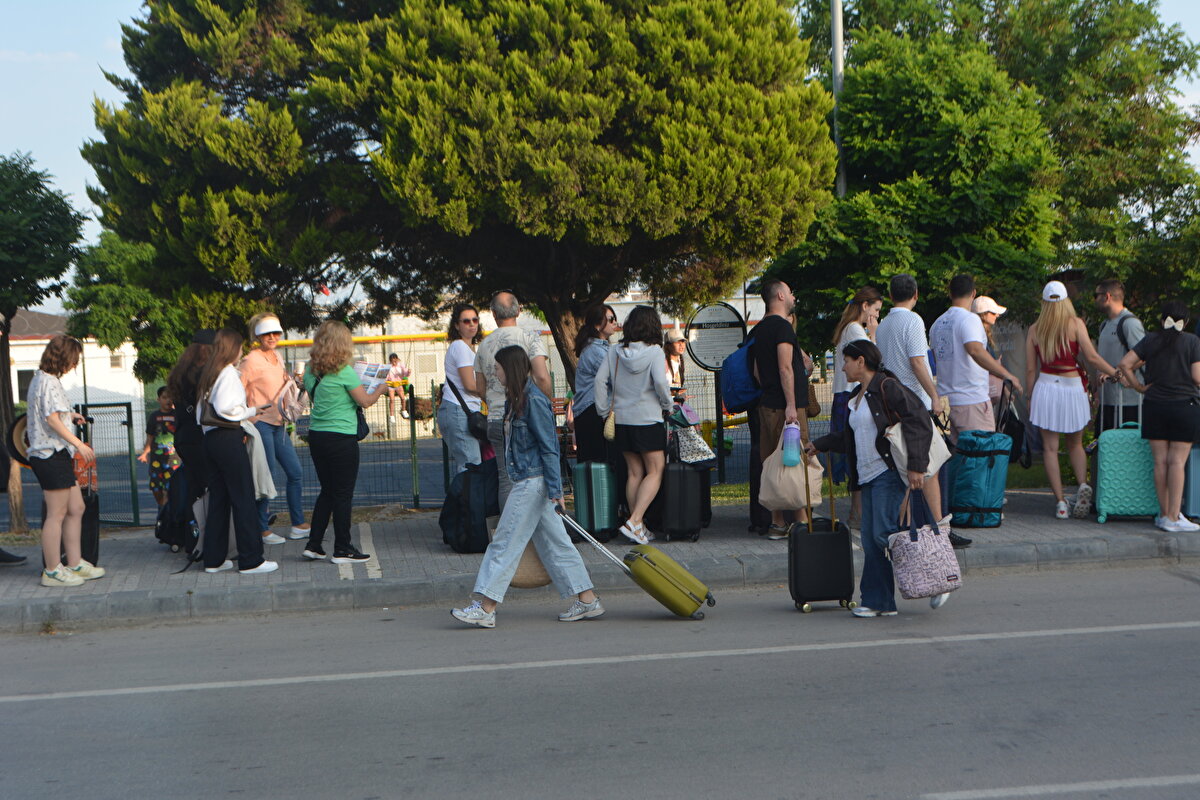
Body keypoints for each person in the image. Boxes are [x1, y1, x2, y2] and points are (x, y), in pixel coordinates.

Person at [451, 345, 604, 628]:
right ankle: (587, 598)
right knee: (555, 543)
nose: (494, 374)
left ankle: (485, 606)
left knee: (504, 542)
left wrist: (557, 492)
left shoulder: (532, 400)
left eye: (497, 368)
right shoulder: (518, 400)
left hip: (532, 483)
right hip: (532, 480)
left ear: (511, 369)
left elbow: (549, 448)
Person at [808, 340, 951, 616]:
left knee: (880, 535)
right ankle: (884, 601)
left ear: (861, 361)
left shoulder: (887, 387)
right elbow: (852, 436)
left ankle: (922, 583)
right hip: (867, 474)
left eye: (847, 360)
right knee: (875, 538)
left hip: (887, 473)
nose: (843, 366)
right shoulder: (857, 397)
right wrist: (821, 443)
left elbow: (919, 421)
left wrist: (917, 466)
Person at [1025, 280, 1119, 519]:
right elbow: (1092, 357)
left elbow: (1029, 370)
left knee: (1049, 448)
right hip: (1072, 386)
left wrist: (1029, 397)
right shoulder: (1076, 324)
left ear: (1044, 303)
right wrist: (1116, 373)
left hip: (1046, 386)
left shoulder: (1035, 329)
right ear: (1066, 301)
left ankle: (1060, 503)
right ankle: (1081, 484)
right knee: (1075, 444)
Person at [196, 328, 278, 575]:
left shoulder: (210, 373)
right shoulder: (229, 373)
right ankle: (251, 559)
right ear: (232, 349)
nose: (242, 351)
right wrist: (250, 411)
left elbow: (204, 414)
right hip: (228, 437)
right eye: (240, 347)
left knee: (220, 499)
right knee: (243, 497)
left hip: (211, 439)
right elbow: (227, 409)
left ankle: (214, 559)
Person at [25, 335, 103, 587]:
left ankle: (75, 561)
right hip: (49, 454)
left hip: (54, 453)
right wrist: (78, 443)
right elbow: (51, 419)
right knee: (56, 514)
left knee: (76, 508)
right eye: (73, 359)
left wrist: (70, 414)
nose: (74, 365)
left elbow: (54, 413)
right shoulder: (48, 382)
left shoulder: (44, 380)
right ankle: (52, 570)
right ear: (64, 358)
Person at [301, 321, 382, 563]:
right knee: (343, 494)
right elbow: (365, 401)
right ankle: (342, 548)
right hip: (341, 437)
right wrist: (380, 389)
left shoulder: (309, 370)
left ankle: (314, 544)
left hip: (317, 436)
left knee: (327, 491)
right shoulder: (344, 372)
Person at [1117, 300, 1200, 532]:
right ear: (1186, 321)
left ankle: (1163, 515)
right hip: (1185, 406)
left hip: (1154, 406)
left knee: (1160, 462)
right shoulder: (1192, 341)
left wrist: (1138, 387)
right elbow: (1197, 377)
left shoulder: (1151, 340)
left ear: (1163, 320)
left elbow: (1125, 364)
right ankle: (1174, 516)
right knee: (1177, 462)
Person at [594, 305, 673, 544]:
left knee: (634, 473)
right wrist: (667, 404)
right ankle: (635, 520)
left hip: (622, 419)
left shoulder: (615, 350)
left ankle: (638, 527)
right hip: (648, 418)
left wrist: (603, 410)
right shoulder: (655, 352)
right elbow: (660, 382)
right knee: (655, 470)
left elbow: (600, 380)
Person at [474, 292, 552, 504]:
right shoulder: (529, 338)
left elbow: (480, 388)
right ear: (519, 310)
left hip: (496, 418)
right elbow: (542, 377)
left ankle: (508, 529)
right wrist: (547, 404)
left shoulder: (484, 345)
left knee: (505, 478)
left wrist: (493, 400)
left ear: (493, 314)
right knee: (533, 476)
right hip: (525, 414)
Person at [930, 275, 1024, 443]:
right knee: (980, 457)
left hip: (947, 402)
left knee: (958, 460)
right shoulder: (970, 319)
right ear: (973, 293)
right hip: (971, 400)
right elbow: (975, 350)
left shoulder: (937, 323)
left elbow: (938, 359)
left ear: (950, 294)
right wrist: (1007, 375)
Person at [240, 312, 308, 545]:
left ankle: (298, 524)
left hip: (279, 424)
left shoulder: (278, 356)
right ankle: (261, 529)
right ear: (257, 335)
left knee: (295, 473)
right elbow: (238, 391)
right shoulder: (250, 360)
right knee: (265, 477)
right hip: (260, 425)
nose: (272, 337)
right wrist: (245, 419)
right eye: (267, 333)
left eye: (276, 332)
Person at [750, 279, 810, 540]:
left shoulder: (759, 329)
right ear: (781, 296)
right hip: (787, 408)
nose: (793, 295)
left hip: (766, 405)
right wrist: (790, 406)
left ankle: (777, 522)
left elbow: (756, 371)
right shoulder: (783, 329)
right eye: (790, 291)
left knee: (772, 464)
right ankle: (801, 521)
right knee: (794, 461)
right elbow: (785, 367)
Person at [830, 287, 883, 526]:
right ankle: (857, 513)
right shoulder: (855, 329)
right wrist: (873, 333)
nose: (877, 315)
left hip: (841, 395)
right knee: (858, 452)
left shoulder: (846, 328)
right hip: (851, 395)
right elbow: (872, 359)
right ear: (865, 306)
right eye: (876, 310)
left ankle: (856, 512)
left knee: (853, 452)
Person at [876, 274, 943, 418]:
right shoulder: (913, 320)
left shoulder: (882, 325)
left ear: (891, 295)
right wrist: (934, 396)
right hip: (915, 401)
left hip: (892, 398)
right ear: (916, 294)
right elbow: (917, 362)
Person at [167, 329, 215, 505]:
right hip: (198, 435)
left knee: (193, 485)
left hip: (182, 435)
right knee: (208, 486)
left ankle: (189, 527)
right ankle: (205, 528)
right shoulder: (203, 372)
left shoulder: (180, 371)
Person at [439, 304, 484, 476]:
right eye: (466, 321)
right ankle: (466, 502)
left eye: (475, 320)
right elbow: (470, 385)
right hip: (459, 410)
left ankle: (467, 501)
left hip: (462, 410)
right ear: (457, 325)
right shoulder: (460, 346)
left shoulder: (468, 349)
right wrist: (494, 394)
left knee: (470, 465)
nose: (472, 324)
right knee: (470, 466)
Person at [1094, 279, 1145, 433]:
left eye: (1096, 295)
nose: (1094, 299)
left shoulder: (1129, 323)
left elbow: (1143, 356)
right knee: (1104, 447)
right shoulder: (1104, 325)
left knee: (1125, 451)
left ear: (1107, 296)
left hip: (1127, 401)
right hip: (1107, 399)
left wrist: (1119, 372)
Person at [571, 304, 619, 462]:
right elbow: (616, 378)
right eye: (610, 319)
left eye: (615, 319)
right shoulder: (595, 350)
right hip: (592, 412)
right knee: (599, 464)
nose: (615, 323)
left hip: (594, 411)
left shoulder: (601, 348)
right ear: (598, 324)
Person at [137, 385, 181, 507]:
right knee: (156, 486)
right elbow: (150, 437)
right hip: (157, 459)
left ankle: (169, 509)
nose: (168, 400)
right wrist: (145, 453)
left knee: (171, 486)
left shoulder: (178, 415)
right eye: (164, 397)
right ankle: (162, 507)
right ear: (159, 399)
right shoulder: (154, 416)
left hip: (174, 458)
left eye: (170, 397)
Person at [972, 296, 1009, 409]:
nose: (997, 315)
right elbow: (988, 364)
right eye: (993, 312)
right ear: (983, 314)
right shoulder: (978, 336)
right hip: (981, 393)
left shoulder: (979, 334)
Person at [385, 352, 411, 423]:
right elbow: (386, 376)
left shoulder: (400, 366)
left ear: (397, 359)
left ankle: (403, 410)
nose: (394, 362)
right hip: (391, 385)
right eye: (392, 361)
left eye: (395, 361)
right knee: (392, 400)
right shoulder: (388, 367)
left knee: (403, 398)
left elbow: (405, 374)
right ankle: (391, 415)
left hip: (399, 384)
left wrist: (408, 372)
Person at [665, 328, 688, 400]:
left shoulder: (679, 362)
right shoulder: (663, 363)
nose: (681, 345)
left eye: (683, 341)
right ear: (669, 345)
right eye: (677, 342)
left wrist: (680, 395)